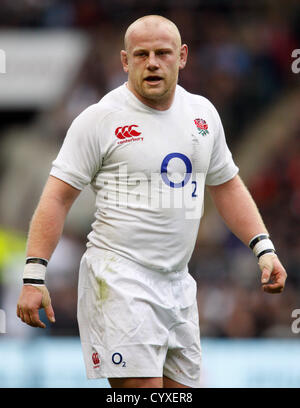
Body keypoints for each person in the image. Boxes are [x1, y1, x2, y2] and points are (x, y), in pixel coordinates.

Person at [17, 15, 287, 388]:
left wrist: (264, 249)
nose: (153, 63)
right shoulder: (100, 120)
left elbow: (227, 186)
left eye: (163, 53)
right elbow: (56, 198)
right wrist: (34, 277)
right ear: (125, 61)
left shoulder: (203, 115)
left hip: (178, 283)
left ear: (183, 56)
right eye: (141, 55)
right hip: (118, 279)